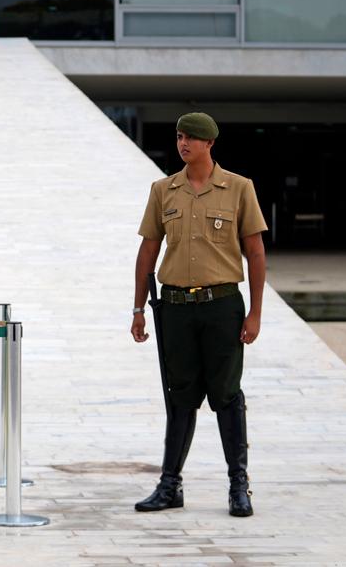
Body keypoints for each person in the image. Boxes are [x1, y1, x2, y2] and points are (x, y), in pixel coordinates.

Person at [131, 112, 267, 518]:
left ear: (210, 143)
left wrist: (255, 313)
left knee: (227, 395)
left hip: (222, 306)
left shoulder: (239, 188)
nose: (183, 143)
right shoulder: (163, 190)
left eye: (191, 137)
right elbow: (148, 251)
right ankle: (169, 485)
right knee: (179, 396)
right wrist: (138, 308)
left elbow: (255, 252)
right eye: (179, 136)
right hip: (175, 308)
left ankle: (238, 486)